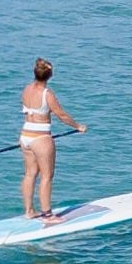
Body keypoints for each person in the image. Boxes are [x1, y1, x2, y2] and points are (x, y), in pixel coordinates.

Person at [18, 59, 83, 218]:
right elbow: (61, 115)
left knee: (29, 174)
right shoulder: (47, 94)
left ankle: (29, 211)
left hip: (25, 135)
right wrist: (78, 126)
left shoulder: (26, 89)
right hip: (41, 138)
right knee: (47, 176)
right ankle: (47, 214)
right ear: (50, 75)